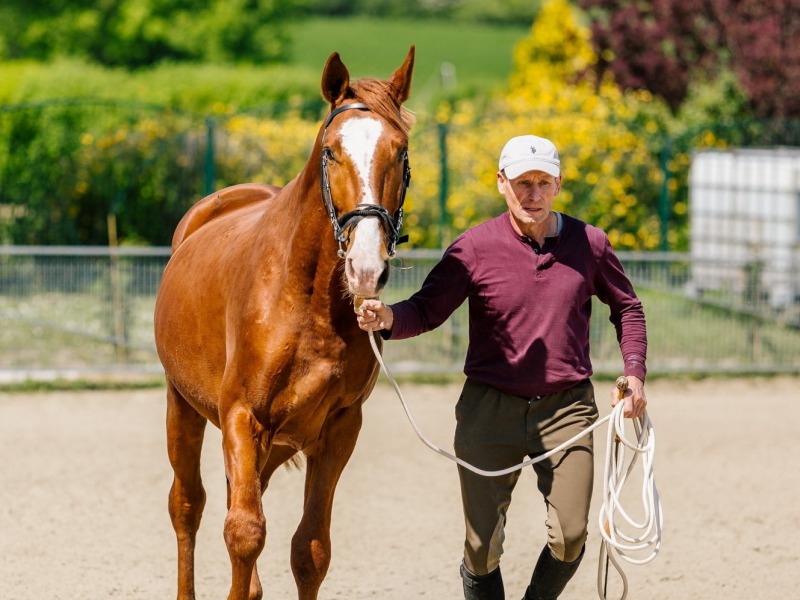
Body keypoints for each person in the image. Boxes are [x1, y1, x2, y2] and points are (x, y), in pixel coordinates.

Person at [356, 134, 648, 600]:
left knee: (571, 536)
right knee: (481, 547)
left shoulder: (591, 245)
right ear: (501, 183)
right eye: (521, 183)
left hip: (567, 410)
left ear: (557, 184)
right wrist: (388, 317)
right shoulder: (473, 248)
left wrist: (634, 372)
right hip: (487, 410)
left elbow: (628, 308)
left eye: (542, 183)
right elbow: (427, 310)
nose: (532, 194)